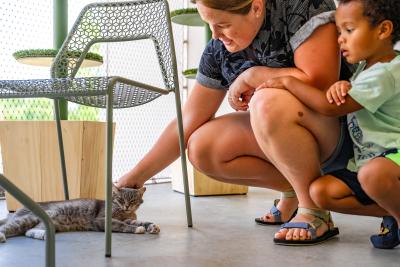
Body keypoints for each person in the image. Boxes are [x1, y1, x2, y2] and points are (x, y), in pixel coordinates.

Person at [116, 0, 348, 244]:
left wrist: (255, 75)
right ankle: (296, 191)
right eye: (209, 25)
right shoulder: (218, 50)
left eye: (223, 25)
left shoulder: (300, 6)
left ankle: (314, 209)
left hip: (335, 131)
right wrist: (132, 181)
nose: (215, 35)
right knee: (202, 146)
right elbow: (188, 119)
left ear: (256, 8)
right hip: (286, 133)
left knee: (266, 100)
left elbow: (321, 86)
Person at [262, 0, 400, 248]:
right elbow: (352, 96)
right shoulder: (366, 68)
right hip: (369, 163)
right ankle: (392, 211)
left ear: (383, 30)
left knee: (373, 175)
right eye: (339, 31)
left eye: (349, 30)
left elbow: (330, 107)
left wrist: (289, 83)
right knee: (320, 193)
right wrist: (343, 85)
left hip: (393, 159)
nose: (340, 39)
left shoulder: (388, 71)